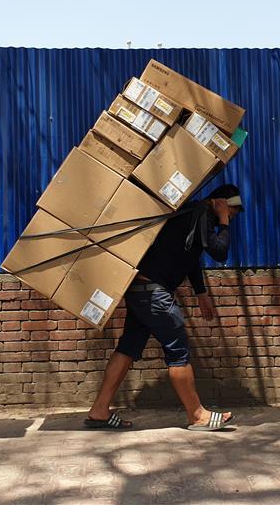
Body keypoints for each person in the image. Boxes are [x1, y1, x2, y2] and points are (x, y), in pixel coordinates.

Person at [85, 184, 244, 431]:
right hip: (155, 295)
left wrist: (201, 293)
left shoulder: (192, 214)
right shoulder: (202, 214)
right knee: (178, 351)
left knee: (128, 347)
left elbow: (190, 256)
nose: (233, 216)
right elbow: (220, 252)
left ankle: (99, 410)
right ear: (221, 202)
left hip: (140, 290)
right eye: (233, 210)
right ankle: (197, 415)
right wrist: (223, 221)